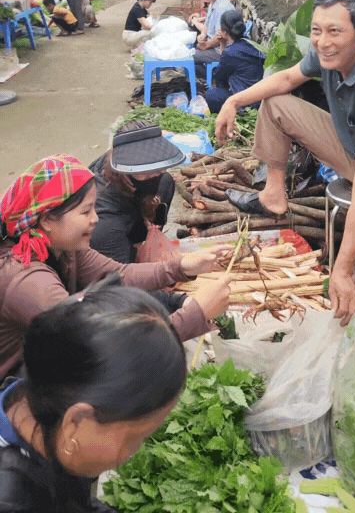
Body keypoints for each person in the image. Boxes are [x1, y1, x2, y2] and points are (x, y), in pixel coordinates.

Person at [216, 0, 355, 326]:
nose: (322, 41)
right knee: (276, 103)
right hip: (351, 142)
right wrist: (234, 100)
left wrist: (341, 269)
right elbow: (286, 80)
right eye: (316, 30)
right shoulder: (328, 52)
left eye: (334, 31)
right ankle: (273, 195)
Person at [0, 154, 232, 383]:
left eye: (94, 208)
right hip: (16, 387)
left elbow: (120, 275)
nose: (95, 218)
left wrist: (183, 266)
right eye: (85, 211)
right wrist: (195, 315)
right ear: (47, 219)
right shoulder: (28, 281)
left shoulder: (61, 245)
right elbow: (103, 348)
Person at [0, 274, 186, 512]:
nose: (134, 453)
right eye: (137, 438)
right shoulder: (11, 500)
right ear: (76, 422)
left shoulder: (46, 406)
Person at [90, 120, 181, 263]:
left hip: (131, 207)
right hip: (109, 246)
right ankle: (132, 252)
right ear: (126, 167)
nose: (161, 171)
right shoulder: (105, 221)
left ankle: (147, 242)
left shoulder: (120, 156)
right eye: (149, 168)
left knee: (165, 181)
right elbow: (120, 275)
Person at [206, 10, 265, 113]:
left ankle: (226, 115)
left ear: (224, 32)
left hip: (246, 103)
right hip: (259, 97)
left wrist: (223, 45)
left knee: (212, 94)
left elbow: (220, 78)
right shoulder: (251, 43)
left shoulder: (230, 53)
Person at [191, 0, 235, 79]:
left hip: (223, 50)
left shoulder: (223, 7)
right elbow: (207, 25)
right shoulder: (213, 3)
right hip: (213, 45)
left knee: (189, 56)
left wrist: (206, 45)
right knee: (194, 46)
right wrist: (202, 36)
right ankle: (211, 77)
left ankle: (214, 78)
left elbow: (220, 36)